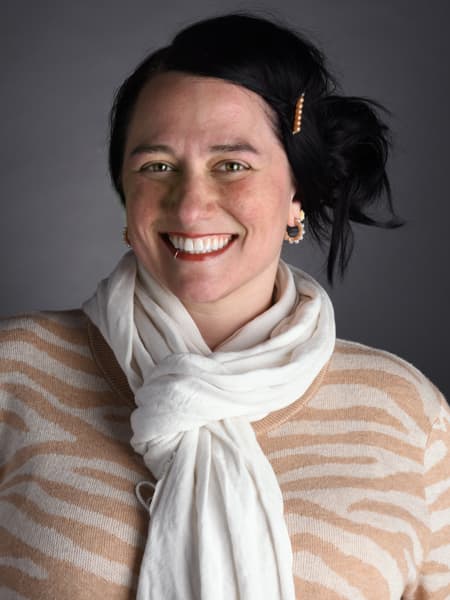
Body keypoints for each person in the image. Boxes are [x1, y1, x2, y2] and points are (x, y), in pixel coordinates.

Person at [1, 13, 449, 600]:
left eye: (232, 165)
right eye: (157, 167)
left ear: (297, 194)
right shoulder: (14, 373)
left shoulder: (408, 414)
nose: (190, 207)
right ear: (125, 193)